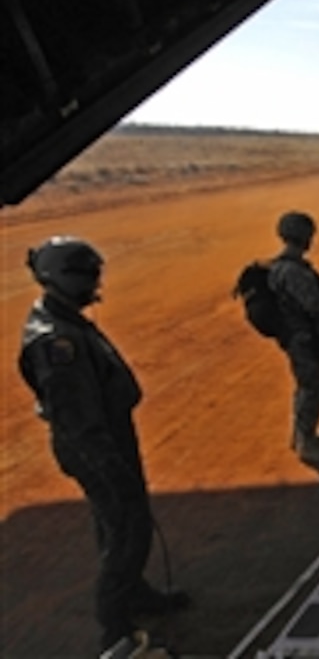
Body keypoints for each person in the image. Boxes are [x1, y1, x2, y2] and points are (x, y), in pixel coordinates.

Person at [18, 236, 190, 653]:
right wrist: (111, 467)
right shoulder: (58, 342)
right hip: (97, 447)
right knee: (127, 529)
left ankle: (135, 592)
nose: (96, 283)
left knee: (118, 524)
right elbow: (77, 420)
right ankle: (115, 625)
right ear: (62, 277)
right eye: (88, 276)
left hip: (108, 438)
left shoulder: (66, 319)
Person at [268, 211, 319, 463]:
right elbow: (314, 304)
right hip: (302, 337)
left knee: (305, 387)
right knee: (315, 389)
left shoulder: (281, 266)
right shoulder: (293, 271)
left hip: (297, 336)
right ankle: (306, 443)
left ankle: (302, 434)